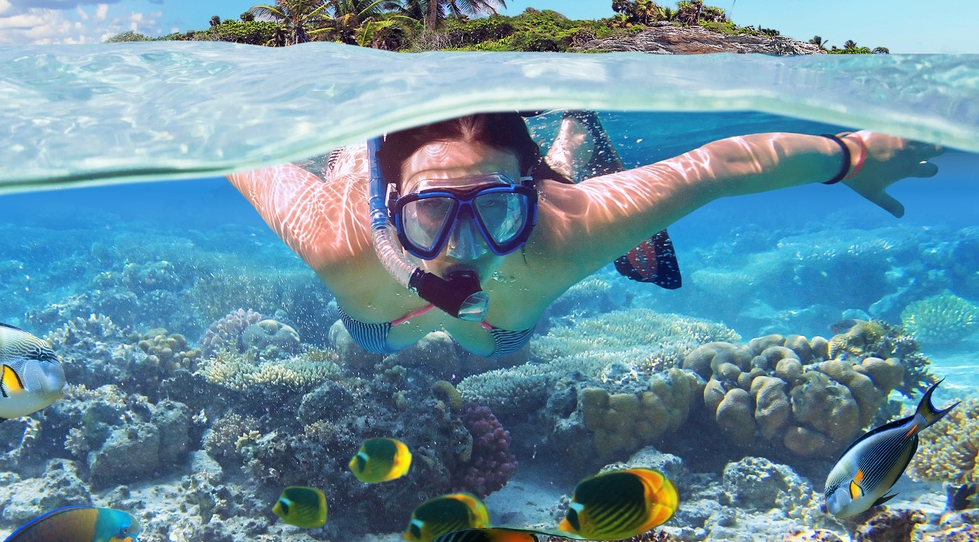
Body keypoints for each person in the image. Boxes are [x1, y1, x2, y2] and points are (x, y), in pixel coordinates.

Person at [228, 111, 943, 358]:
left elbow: (718, 167)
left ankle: (568, 143)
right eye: (432, 210)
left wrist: (851, 155)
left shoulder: (561, 231)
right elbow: (233, 148)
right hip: (381, 312)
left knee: (487, 339)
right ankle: (570, 143)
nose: (464, 246)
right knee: (381, 333)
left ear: (526, 198)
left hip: (504, 318)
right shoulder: (335, 235)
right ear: (388, 205)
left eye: (498, 210)